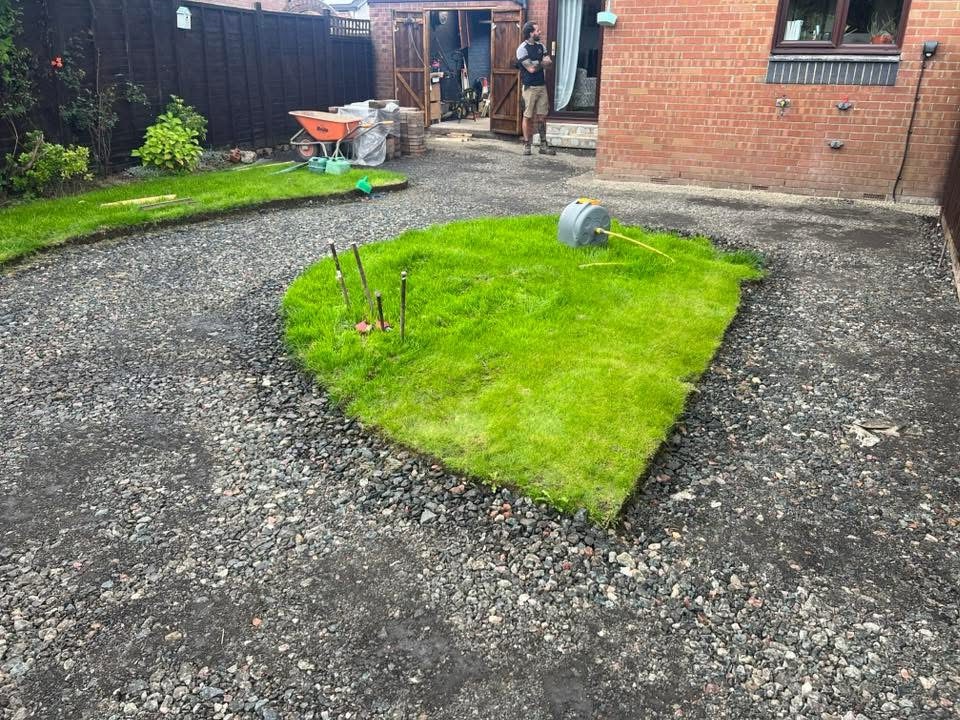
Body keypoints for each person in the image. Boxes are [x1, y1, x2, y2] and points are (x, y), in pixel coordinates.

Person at [516, 22, 556, 157]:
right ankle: (527, 145)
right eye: (537, 30)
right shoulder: (522, 49)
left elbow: (549, 64)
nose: (540, 32)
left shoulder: (541, 46)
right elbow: (531, 69)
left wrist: (538, 63)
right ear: (530, 33)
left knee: (542, 116)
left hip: (541, 86)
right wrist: (541, 63)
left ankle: (543, 146)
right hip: (529, 87)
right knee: (527, 116)